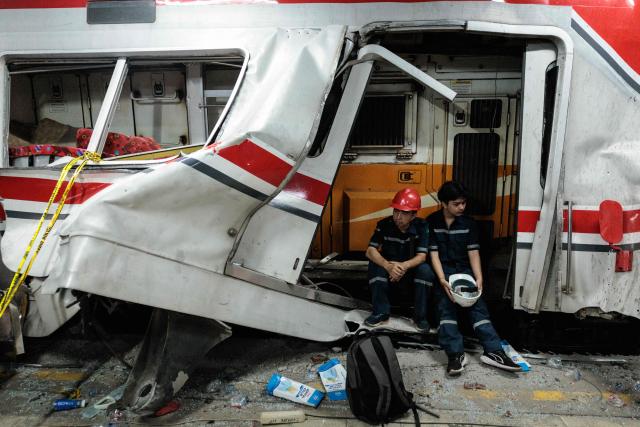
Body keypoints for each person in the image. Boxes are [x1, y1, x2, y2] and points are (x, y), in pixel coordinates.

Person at [427, 181, 520, 376]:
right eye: (456, 203)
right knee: (446, 310)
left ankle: (494, 352)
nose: (462, 207)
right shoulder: (432, 221)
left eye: (463, 203)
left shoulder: (469, 224)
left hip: (464, 271)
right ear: (444, 203)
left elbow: (473, 253)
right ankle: (455, 356)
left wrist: (479, 279)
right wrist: (442, 280)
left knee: (478, 308)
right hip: (444, 271)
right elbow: (433, 254)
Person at [365, 188, 435, 332]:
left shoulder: (422, 226)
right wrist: (388, 266)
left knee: (426, 271)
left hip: (409, 268)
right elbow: (370, 251)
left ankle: (420, 317)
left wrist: (403, 266)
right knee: (375, 265)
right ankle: (381, 313)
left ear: (414, 215)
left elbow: (422, 257)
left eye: (404, 213)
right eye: (396, 211)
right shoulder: (384, 224)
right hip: (389, 267)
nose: (398, 216)